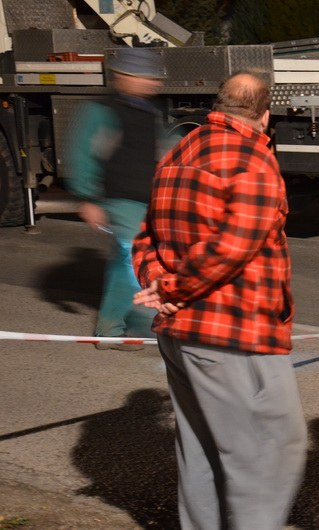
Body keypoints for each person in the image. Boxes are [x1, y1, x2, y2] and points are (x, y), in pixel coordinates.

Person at [131, 72, 306, 530]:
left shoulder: (179, 151)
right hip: (234, 335)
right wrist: (171, 289)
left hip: (180, 334)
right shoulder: (254, 160)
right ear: (265, 115)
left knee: (201, 453)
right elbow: (232, 247)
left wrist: (160, 284)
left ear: (219, 105)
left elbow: (145, 235)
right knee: (268, 454)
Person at [66, 47, 166, 349]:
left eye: (154, 78)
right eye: (145, 77)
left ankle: (123, 328)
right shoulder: (100, 110)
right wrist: (88, 198)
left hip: (147, 200)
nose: (153, 83)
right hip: (120, 199)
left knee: (128, 262)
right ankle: (113, 331)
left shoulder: (150, 112)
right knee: (132, 261)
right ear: (122, 77)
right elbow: (82, 154)